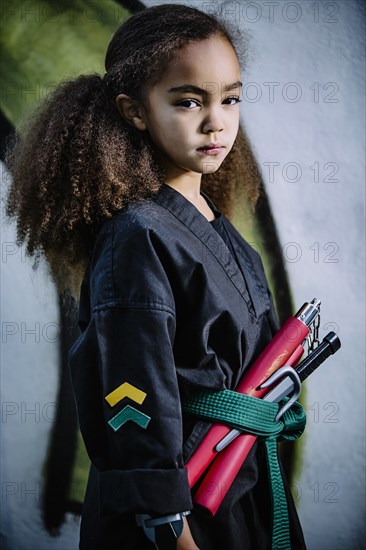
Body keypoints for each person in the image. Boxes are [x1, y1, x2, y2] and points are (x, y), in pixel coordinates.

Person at [5, 4, 306, 549]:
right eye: (189, 101)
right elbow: (130, 391)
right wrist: (169, 527)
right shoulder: (137, 234)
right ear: (136, 110)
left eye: (230, 98)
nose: (217, 121)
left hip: (240, 489)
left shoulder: (221, 229)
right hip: (173, 514)